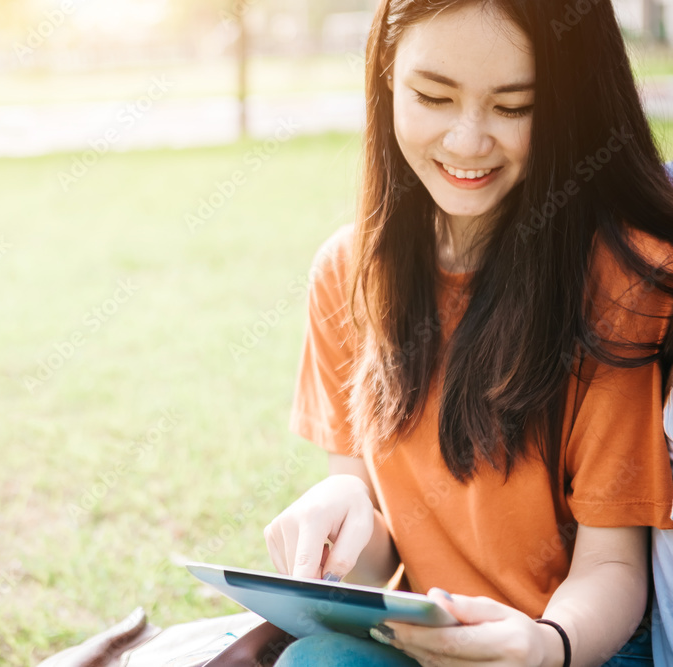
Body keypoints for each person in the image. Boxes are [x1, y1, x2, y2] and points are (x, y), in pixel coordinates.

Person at [264, 1, 673, 665]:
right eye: (433, 96)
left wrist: (543, 646)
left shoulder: (621, 282)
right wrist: (345, 510)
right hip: (426, 637)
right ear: (388, 77)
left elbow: (613, 566)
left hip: (572, 643)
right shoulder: (348, 270)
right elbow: (378, 563)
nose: (467, 141)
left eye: (514, 107)